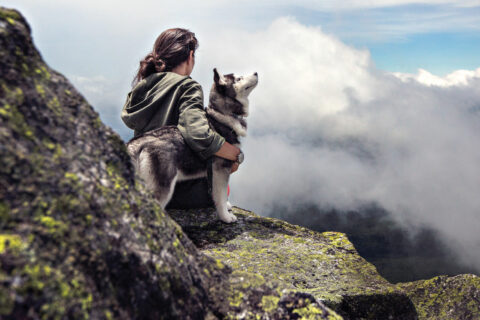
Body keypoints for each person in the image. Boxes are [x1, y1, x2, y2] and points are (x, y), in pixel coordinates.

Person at [121, 28, 241, 208]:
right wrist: (234, 153)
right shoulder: (187, 86)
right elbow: (197, 133)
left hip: (145, 186)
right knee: (222, 184)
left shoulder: (143, 86)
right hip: (180, 193)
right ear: (190, 55)